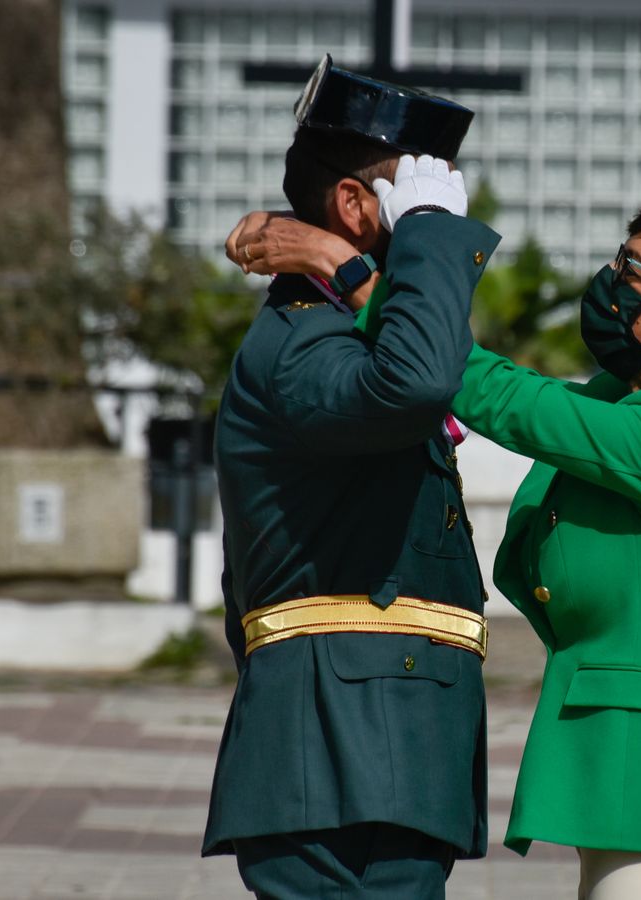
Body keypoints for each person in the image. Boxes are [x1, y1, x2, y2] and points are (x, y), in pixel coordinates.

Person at [230, 197, 641, 897]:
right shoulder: (619, 401)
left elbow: (503, 398)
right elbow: (507, 389)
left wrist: (342, 265)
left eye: (633, 271)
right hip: (626, 775)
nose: (610, 279)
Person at [204, 57, 498, 899]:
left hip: (380, 738)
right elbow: (420, 380)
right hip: (346, 743)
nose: (435, 215)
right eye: (415, 197)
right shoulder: (304, 346)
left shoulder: (344, 328)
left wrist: (342, 258)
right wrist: (425, 236)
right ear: (356, 204)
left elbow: (453, 372)